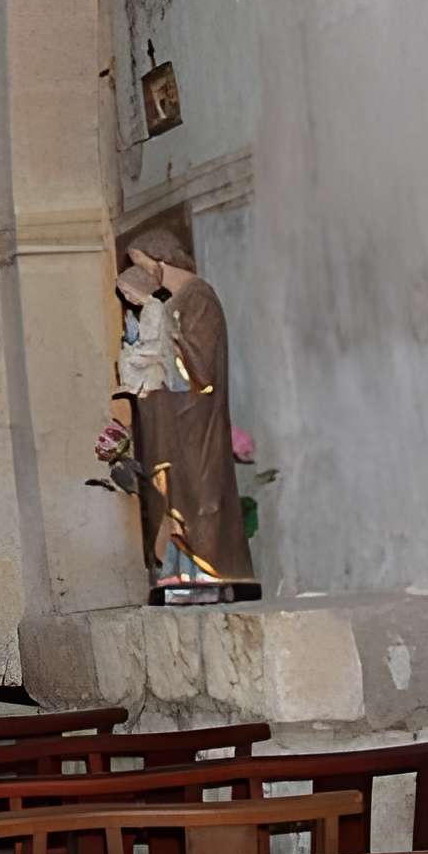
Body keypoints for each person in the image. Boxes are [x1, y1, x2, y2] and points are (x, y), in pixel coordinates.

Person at [119, 230, 256, 602]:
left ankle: (202, 574)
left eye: (141, 263)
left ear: (161, 259)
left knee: (198, 493)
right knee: (173, 493)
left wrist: (167, 336)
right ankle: (180, 572)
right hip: (174, 415)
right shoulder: (173, 300)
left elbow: (202, 367)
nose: (141, 271)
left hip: (195, 418)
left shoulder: (198, 297)